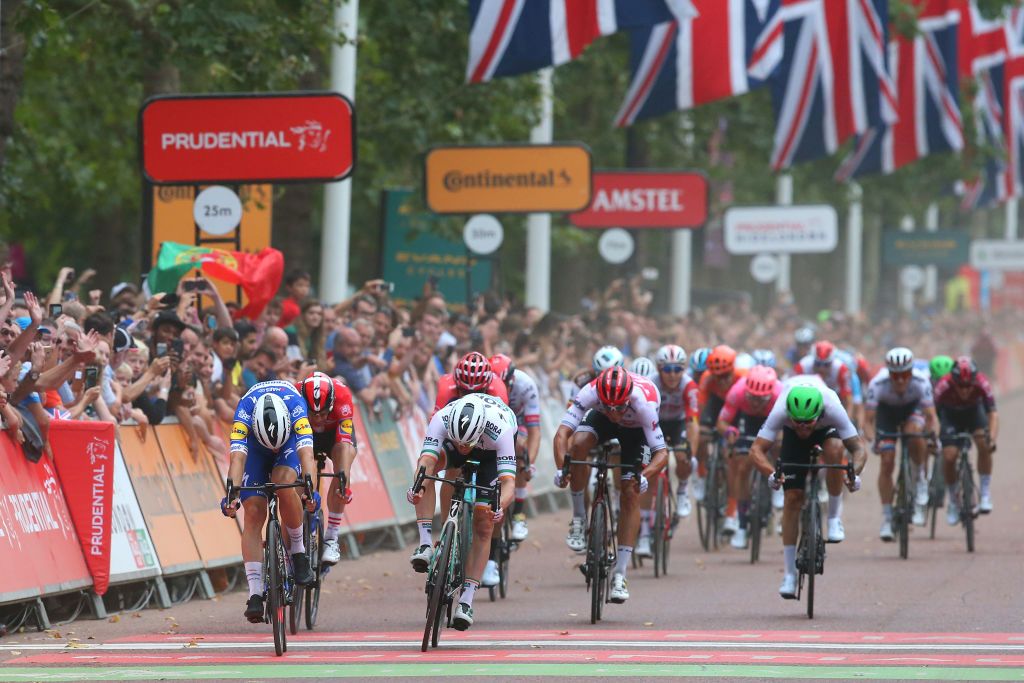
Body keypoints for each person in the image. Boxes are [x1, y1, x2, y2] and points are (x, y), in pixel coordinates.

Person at [553, 366, 668, 604]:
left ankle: (621, 574)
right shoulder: (590, 392)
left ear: (628, 399)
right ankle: (578, 519)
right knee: (578, 447)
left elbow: (662, 453)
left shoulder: (644, 403)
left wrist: (645, 475)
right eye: (609, 406)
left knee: (630, 492)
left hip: (635, 430)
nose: (615, 412)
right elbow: (562, 434)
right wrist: (561, 468)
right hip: (600, 420)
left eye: (619, 407)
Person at [406, 394, 517, 631]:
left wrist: (499, 506)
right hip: (460, 436)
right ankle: (425, 543)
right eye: (458, 442)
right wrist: (418, 486)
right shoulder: (442, 419)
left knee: (484, 522)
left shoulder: (502, 430)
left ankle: (466, 599)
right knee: (426, 475)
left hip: (489, 453)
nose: (462, 448)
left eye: (466, 444)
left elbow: (508, 483)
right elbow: (425, 460)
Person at [748, 381, 865, 599]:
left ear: (819, 414)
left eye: (807, 423)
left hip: (826, 433)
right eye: (797, 422)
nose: (803, 428)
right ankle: (789, 575)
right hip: (791, 441)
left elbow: (858, 448)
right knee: (792, 498)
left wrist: (853, 474)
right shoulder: (781, 408)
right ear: (789, 414)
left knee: (836, 449)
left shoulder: (832, 406)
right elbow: (756, 450)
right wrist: (771, 473)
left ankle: (833, 518)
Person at [220, 380, 318, 623]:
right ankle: (254, 593)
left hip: (289, 443)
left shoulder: (296, 406)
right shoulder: (244, 412)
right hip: (255, 447)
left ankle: (298, 551)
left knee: (284, 482)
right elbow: (236, 460)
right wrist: (231, 496)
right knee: (253, 509)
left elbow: (307, 455)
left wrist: (310, 491)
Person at [862, 347, 937, 540]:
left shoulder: (921, 382)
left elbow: (931, 417)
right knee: (887, 461)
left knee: (913, 434)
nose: (901, 380)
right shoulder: (877, 384)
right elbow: (867, 422)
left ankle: (920, 479)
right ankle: (887, 517)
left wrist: (931, 435)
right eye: (896, 375)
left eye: (905, 374)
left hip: (913, 410)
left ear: (911, 371)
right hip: (887, 414)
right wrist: (873, 440)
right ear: (889, 373)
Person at [715, 365, 782, 549]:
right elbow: (722, 422)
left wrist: (781, 436)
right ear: (747, 391)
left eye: (761, 399)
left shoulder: (780, 394)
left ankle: (779, 486)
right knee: (743, 465)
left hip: (772, 419)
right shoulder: (737, 392)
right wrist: (729, 431)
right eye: (752, 397)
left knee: (780, 445)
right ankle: (742, 525)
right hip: (747, 421)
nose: (756, 402)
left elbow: (790, 425)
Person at [296, 371, 357, 565]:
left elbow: (345, 444)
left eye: (323, 413)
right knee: (303, 468)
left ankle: (332, 537)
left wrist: (344, 482)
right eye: (313, 413)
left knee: (344, 463)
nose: (318, 419)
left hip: (334, 436)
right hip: (304, 435)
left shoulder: (343, 396)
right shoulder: (295, 394)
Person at [933, 357, 998, 521]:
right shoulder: (943, 385)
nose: (964, 391)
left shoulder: (982, 382)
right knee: (949, 456)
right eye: (960, 386)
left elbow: (992, 414)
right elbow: (932, 413)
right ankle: (954, 501)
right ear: (953, 381)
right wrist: (934, 436)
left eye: (968, 386)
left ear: (975, 380)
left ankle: (984, 492)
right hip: (950, 417)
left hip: (974, 413)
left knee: (984, 443)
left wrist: (992, 438)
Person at [488, 353, 540, 543]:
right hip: (494, 419)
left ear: (512, 379)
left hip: (519, 422)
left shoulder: (526, 385)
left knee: (518, 446)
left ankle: (518, 514)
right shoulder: (486, 384)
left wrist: (529, 463)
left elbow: (535, 430)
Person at [650, 344, 699, 523]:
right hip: (656, 423)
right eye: (667, 369)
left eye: (677, 369)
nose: (672, 374)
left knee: (682, 455)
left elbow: (693, 422)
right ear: (659, 369)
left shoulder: (689, 386)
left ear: (683, 370)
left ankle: (682, 490)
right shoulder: (651, 382)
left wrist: (690, 453)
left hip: (679, 423)